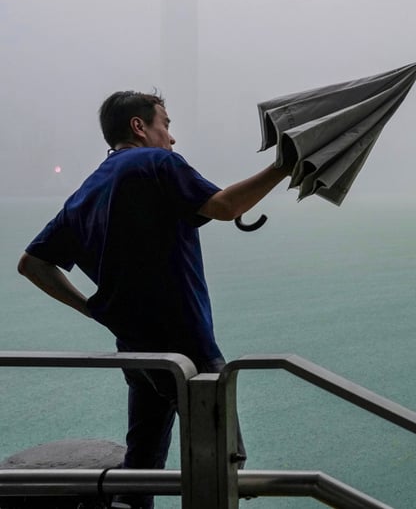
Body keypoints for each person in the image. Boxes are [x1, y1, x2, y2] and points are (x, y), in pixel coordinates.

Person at [17, 91, 291, 509]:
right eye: (165, 124)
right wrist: (284, 165)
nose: (172, 137)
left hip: (137, 354)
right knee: (226, 470)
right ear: (139, 126)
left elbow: (32, 264)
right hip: (188, 350)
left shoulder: (88, 191)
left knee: (141, 467)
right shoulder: (157, 163)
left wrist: (92, 309)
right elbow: (225, 206)